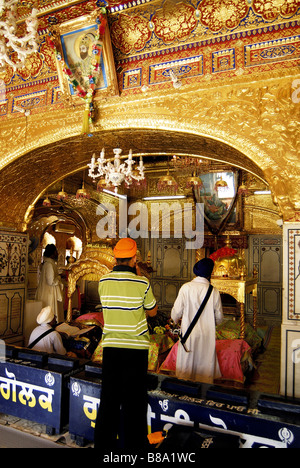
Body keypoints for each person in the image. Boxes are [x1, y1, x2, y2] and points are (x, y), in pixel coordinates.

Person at [94, 238, 157, 452]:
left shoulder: (103, 282)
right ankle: (134, 449)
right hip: (136, 349)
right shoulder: (142, 283)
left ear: (114, 257)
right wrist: (139, 276)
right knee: (134, 401)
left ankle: (104, 448)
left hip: (111, 347)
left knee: (109, 398)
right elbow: (153, 311)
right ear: (134, 259)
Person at [171, 257, 223, 384]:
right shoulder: (213, 291)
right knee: (204, 366)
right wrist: (210, 322)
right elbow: (219, 317)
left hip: (189, 333)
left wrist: (174, 321)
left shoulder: (186, 288)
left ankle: (185, 393)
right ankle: (203, 395)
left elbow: (176, 312)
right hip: (207, 334)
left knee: (186, 368)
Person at [35, 244, 64, 323]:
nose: (57, 254)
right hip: (49, 294)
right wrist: (59, 277)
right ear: (53, 253)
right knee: (49, 316)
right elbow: (51, 281)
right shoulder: (49, 265)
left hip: (47, 292)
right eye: (56, 252)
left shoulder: (49, 264)